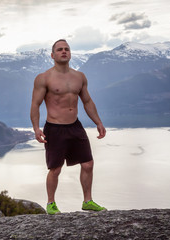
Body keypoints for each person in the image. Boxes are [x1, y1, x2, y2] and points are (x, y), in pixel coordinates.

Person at [30, 39, 107, 214]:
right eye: (59, 50)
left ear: (70, 53)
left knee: (88, 164)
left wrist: (98, 122)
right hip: (55, 128)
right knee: (55, 169)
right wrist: (36, 128)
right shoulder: (44, 78)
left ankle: (88, 201)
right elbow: (35, 104)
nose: (64, 51)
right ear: (52, 55)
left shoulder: (79, 77)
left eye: (67, 49)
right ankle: (51, 203)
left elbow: (87, 101)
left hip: (75, 126)